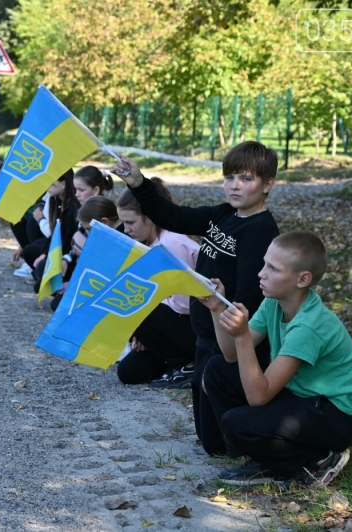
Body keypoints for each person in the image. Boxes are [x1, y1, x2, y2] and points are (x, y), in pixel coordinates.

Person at [111, 141, 280, 456]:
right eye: (229, 177)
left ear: (267, 184)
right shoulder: (225, 213)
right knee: (207, 438)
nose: (235, 186)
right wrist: (138, 183)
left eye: (246, 179)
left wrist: (225, 353)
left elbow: (248, 303)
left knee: (218, 446)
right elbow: (174, 216)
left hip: (225, 344)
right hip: (202, 335)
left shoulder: (260, 233)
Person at [199, 231, 352, 487]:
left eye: (273, 269)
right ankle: (265, 455)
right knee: (218, 369)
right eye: (265, 264)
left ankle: (316, 460)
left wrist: (242, 336)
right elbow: (230, 354)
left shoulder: (308, 326)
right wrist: (218, 309)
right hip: (300, 398)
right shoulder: (274, 303)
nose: (261, 273)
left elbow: (258, 396)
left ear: (302, 279)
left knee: (236, 424)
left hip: (333, 415)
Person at [114, 180, 199, 388]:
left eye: (131, 222)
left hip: (197, 330)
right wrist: (146, 333)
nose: (126, 229)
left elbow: (185, 305)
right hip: (173, 326)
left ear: (150, 217)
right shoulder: (153, 241)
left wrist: (144, 320)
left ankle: (191, 365)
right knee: (128, 373)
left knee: (132, 305)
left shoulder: (172, 243)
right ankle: (174, 362)